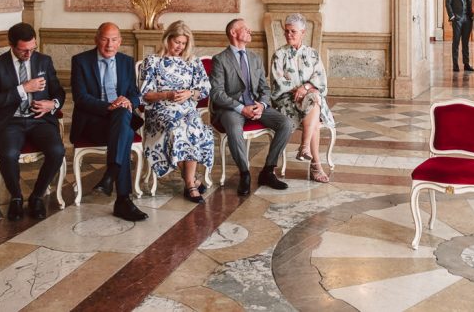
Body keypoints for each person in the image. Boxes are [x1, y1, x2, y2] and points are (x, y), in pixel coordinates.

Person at [0, 22, 66, 221]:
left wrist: (52, 104)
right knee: (9, 154)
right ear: (11, 45)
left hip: (40, 121)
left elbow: (59, 92)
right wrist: (23, 89)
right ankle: (16, 197)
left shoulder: (44, 61)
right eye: (23, 51)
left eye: (32, 49)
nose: (29, 54)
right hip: (10, 122)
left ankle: (37, 196)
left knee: (57, 151)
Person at [70, 22, 148, 222]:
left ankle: (111, 176)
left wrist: (128, 101)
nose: (109, 44)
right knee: (125, 130)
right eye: (105, 39)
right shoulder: (80, 61)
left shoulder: (126, 61)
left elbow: (135, 95)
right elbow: (80, 98)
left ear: (120, 42)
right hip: (93, 122)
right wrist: (109, 106)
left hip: (119, 120)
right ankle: (123, 199)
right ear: (96, 40)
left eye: (114, 40)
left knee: (123, 116)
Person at [209, 18, 294, 196]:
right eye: (245, 29)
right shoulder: (220, 59)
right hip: (232, 108)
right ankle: (244, 173)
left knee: (286, 123)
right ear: (233, 33)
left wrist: (262, 105)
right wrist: (241, 109)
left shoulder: (255, 58)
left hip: (256, 105)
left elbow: (265, 88)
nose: (250, 32)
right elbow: (216, 93)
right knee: (233, 127)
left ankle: (268, 171)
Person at [139, 20, 214, 204]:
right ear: (167, 39)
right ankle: (191, 183)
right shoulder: (152, 61)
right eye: (177, 42)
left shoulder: (193, 62)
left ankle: (190, 181)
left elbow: (205, 89)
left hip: (187, 110)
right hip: (160, 111)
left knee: (196, 128)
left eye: (184, 43)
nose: (180, 47)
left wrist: (190, 92)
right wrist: (167, 95)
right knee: (177, 129)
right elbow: (145, 95)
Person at [270, 14, 335, 183]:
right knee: (314, 110)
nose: (289, 34)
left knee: (313, 100)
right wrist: (299, 89)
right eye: (286, 31)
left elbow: (321, 81)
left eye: (293, 31)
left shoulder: (312, 54)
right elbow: (278, 82)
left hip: (308, 98)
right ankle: (315, 164)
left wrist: (304, 88)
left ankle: (305, 148)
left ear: (303, 32)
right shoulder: (279, 55)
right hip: (287, 101)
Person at [444, 0, 474, 72]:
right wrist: (452, 16)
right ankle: (455, 64)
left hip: (467, 19)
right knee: (456, 42)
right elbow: (447, 3)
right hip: (457, 19)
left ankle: (466, 64)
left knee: (465, 42)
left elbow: (471, 2)